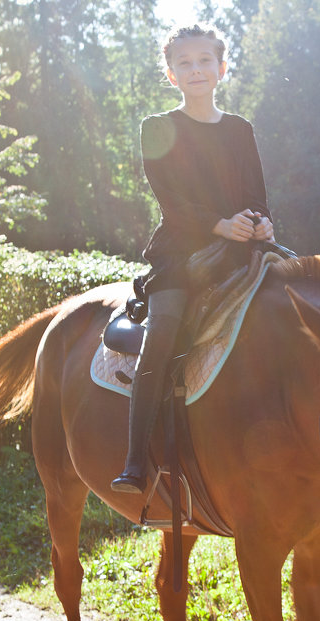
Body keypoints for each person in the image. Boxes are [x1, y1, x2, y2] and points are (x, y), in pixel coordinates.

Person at [111, 23, 274, 494]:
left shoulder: (240, 130)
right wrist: (218, 224)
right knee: (161, 336)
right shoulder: (157, 128)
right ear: (171, 74)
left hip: (242, 249)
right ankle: (135, 463)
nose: (196, 69)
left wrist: (260, 223)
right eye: (185, 63)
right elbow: (171, 201)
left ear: (222, 68)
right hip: (180, 254)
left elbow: (256, 196)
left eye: (205, 60)